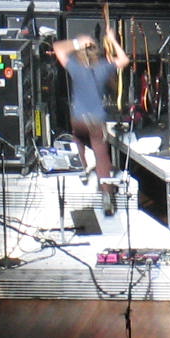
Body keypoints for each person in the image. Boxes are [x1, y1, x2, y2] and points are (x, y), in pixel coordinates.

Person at [53, 28, 131, 213]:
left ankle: (82, 168)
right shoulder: (104, 67)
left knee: (78, 138)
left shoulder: (74, 65)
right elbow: (124, 60)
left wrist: (77, 42)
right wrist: (112, 39)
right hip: (96, 119)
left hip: (78, 118)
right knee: (101, 155)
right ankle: (106, 194)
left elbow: (57, 47)